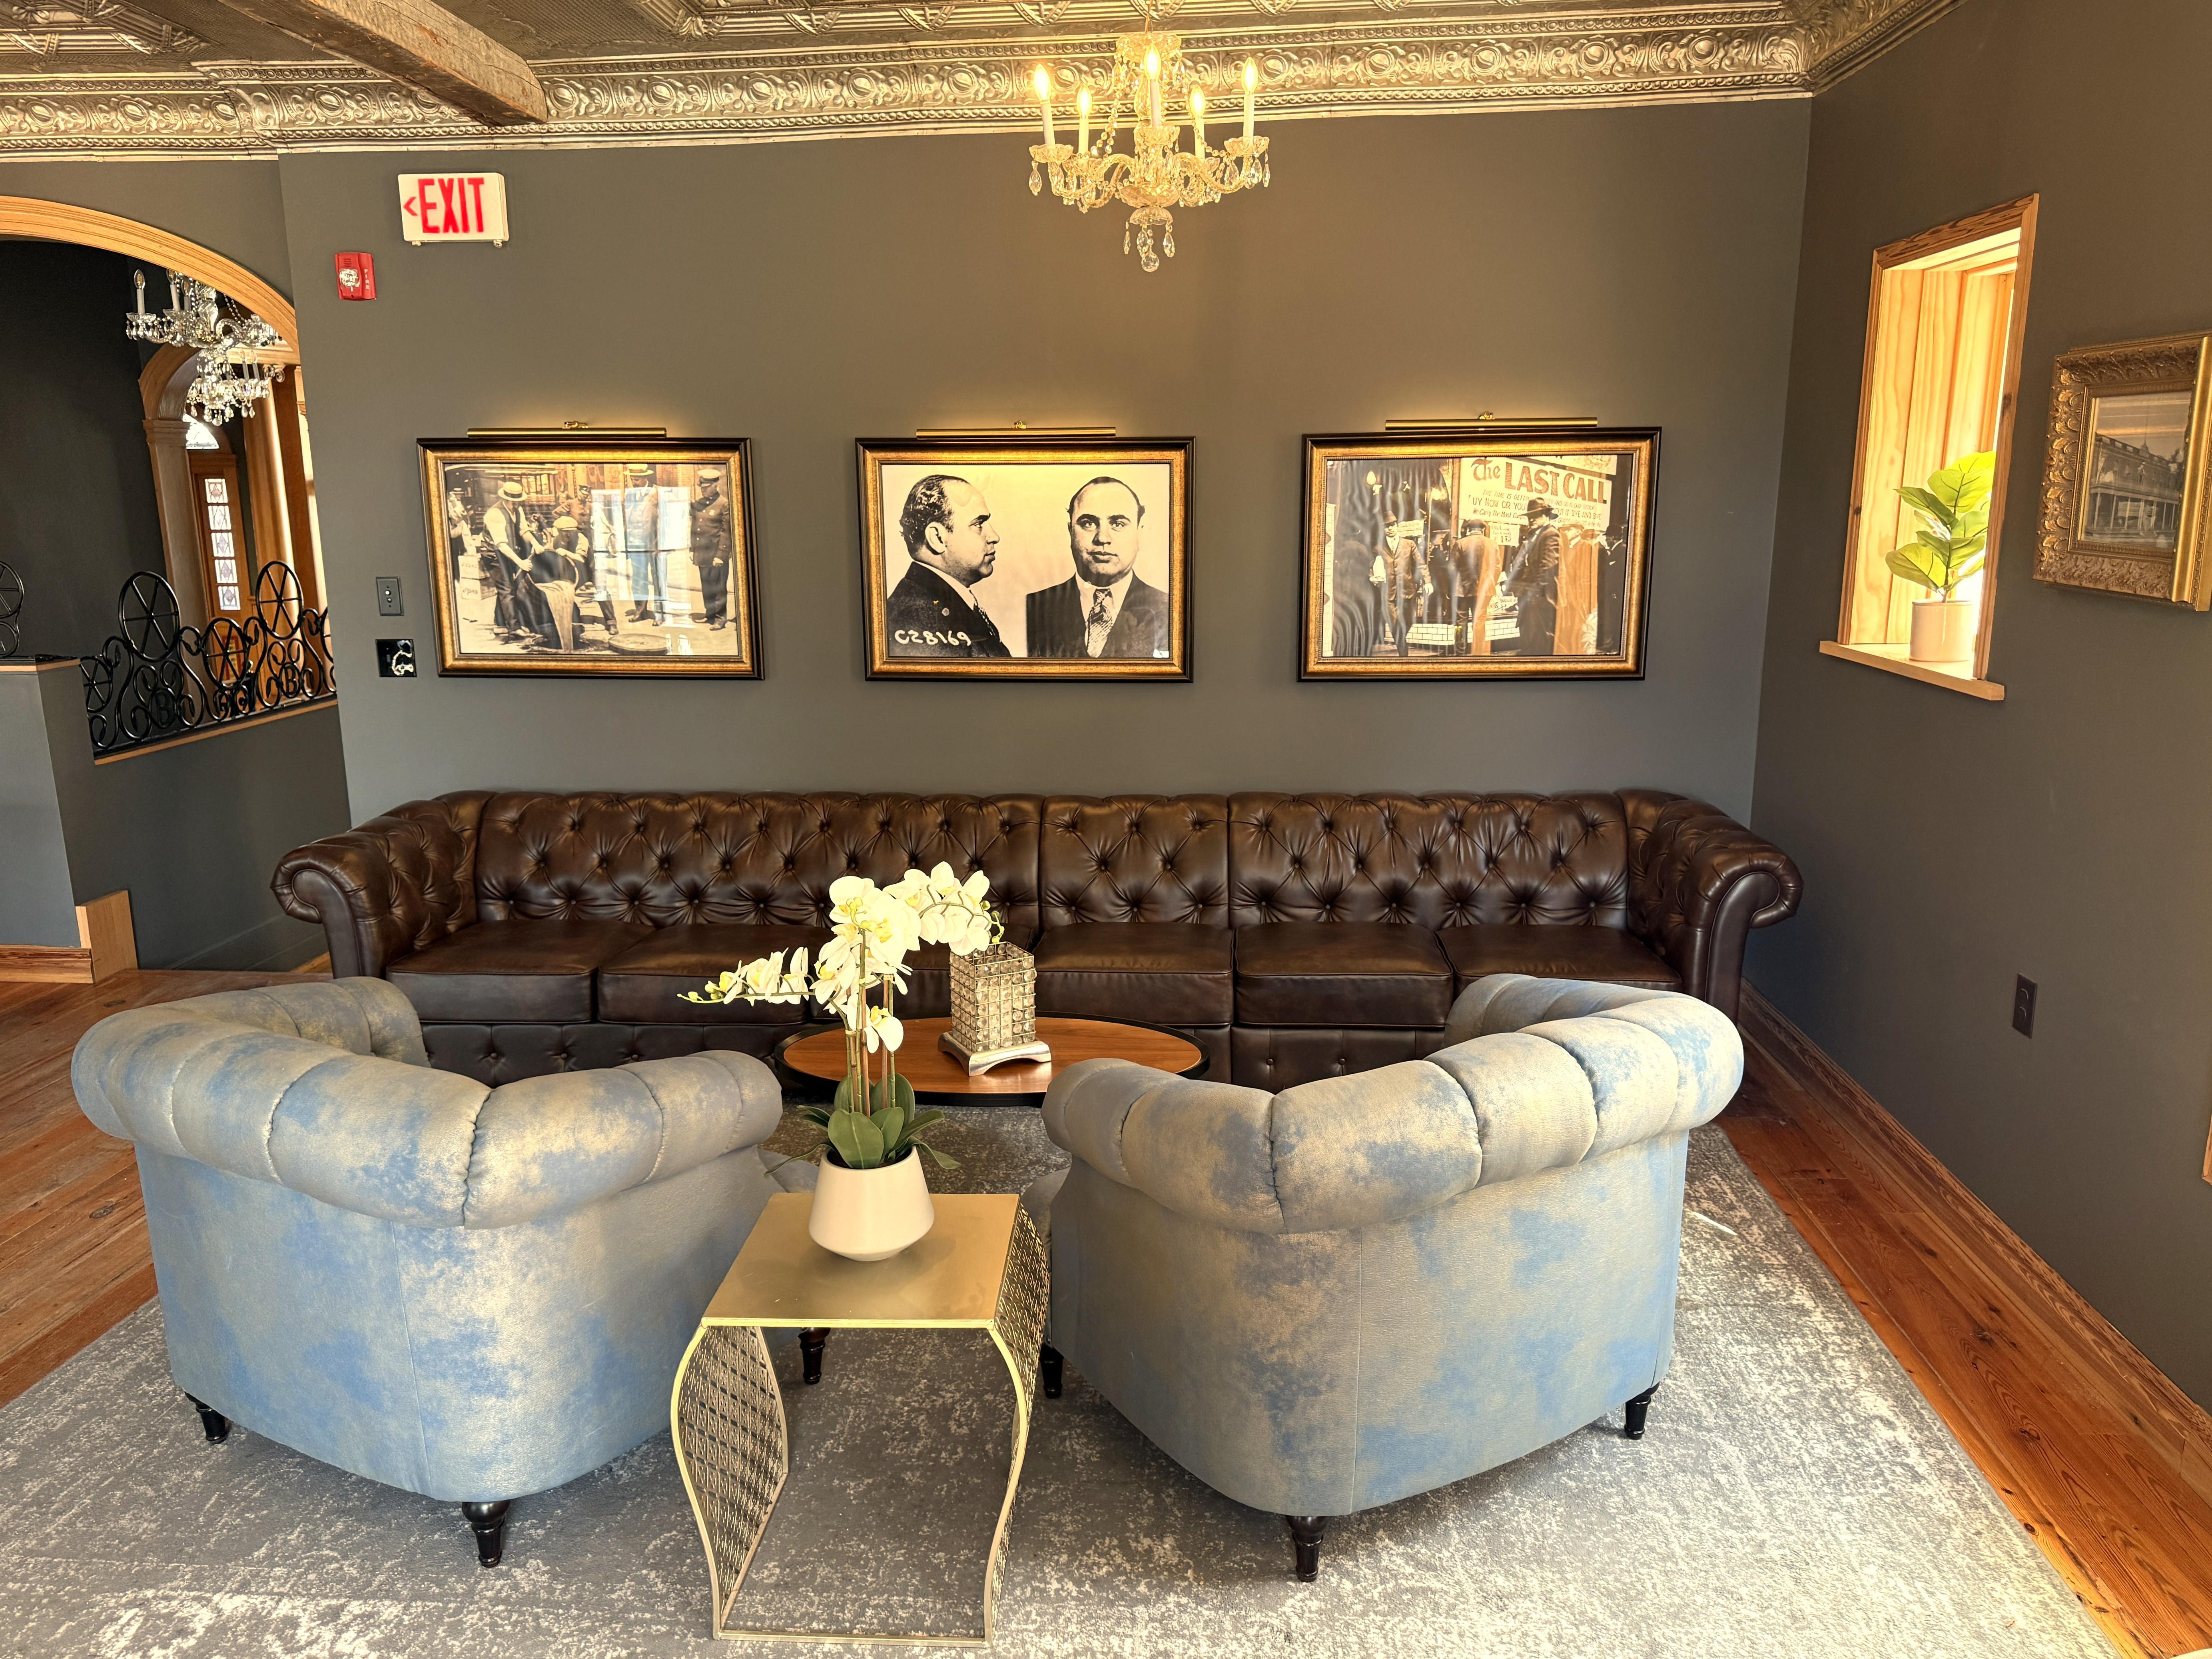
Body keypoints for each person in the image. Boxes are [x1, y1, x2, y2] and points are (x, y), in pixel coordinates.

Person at [1024, 476, 1169, 659]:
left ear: (1139, 533)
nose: (1102, 538)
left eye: (1118, 524)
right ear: (1071, 532)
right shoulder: (1034, 607)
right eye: (1088, 523)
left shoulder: (1168, 609)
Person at [884, 474, 1010, 657]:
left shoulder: (931, 605)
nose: (994, 537)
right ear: (938, 538)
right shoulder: (918, 617)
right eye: (979, 524)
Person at [1495, 497, 1564, 657]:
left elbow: (1548, 569)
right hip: (1531, 597)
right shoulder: (1535, 536)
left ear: (1546, 515)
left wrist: (1534, 594)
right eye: (1529, 516)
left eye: (1536, 516)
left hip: (1541, 598)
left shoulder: (1551, 534)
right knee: (1530, 638)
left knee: (1541, 640)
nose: (1531, 520)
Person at [690, 467, 734, 631]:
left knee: (719, 587)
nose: (703, 490)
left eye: (706, 487)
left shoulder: (724, 504)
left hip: (716, 553)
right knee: (707, 585)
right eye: (702, 487)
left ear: (716, 486)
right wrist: (692, 549)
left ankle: (720, 619)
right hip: (702, 552)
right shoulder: (700, 504)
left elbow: (726, 532)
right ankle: (710, 614)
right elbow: (695, 528)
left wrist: (721, 555)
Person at [621, 465, 664, 624]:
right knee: (639, 580)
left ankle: (660, 614)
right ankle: (641, 611)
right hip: (636, 544)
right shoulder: (629, 495)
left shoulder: (658, 493)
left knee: (658, 579)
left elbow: (666, 519)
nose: (634, 482)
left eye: (637, 479)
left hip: (654, 545)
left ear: (646, 478)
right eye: (632, 479)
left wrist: (662, 544)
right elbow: (625, 519)